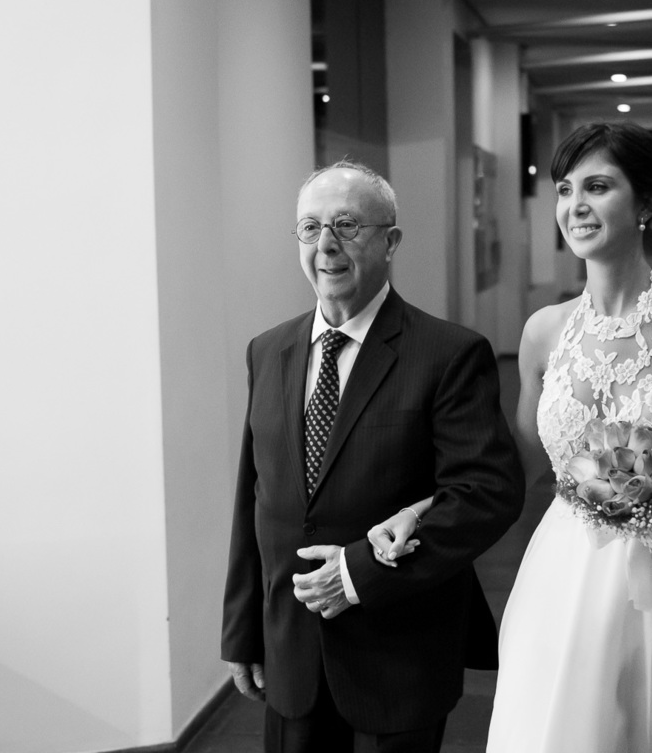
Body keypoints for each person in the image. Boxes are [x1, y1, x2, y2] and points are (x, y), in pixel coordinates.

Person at [371, 122, 652, 752]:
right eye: (564, 189)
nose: (574, 205)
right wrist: (423, 510)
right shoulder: (544, 332)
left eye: (598, 186)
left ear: (646, 203)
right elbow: (518, 465)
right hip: (560, 571)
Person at [221, 160, 524, 753]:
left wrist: (357, 573)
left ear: (391, 241)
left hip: (401, 648)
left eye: (346, 225)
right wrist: (242, 632)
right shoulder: (269, 350)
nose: (326, 245)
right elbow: (253, 497)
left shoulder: (448, 354)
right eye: (310, 229)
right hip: (292, 648)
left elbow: (487, 493)